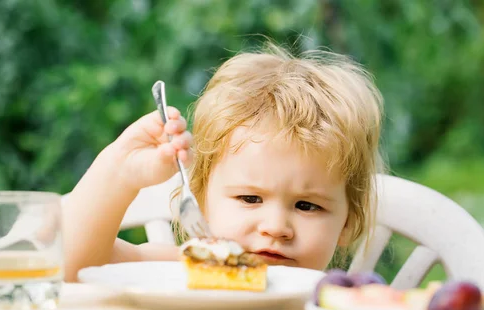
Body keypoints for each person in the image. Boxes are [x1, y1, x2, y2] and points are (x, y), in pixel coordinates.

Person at [63, 42, 384, 282]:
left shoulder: (339, 304)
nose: (275, 227)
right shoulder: (184, 270)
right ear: (201, 201)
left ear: (348, 223)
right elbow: (74, 268)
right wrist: (117, 174)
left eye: (306, 206)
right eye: (250, 198)